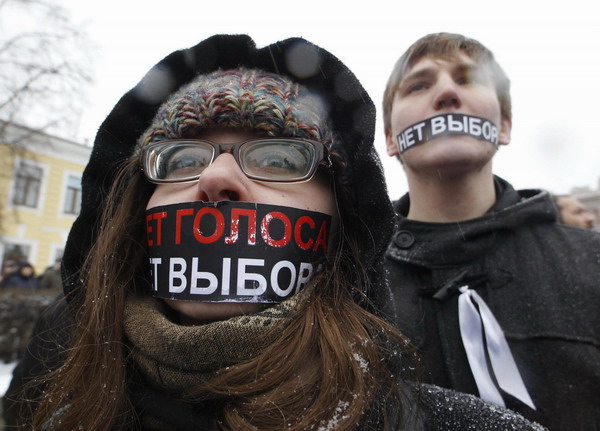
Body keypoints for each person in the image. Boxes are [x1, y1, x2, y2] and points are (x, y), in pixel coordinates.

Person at [3, 35, 545, 431]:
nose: (216, 178)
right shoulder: (50, 395)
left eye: (281, 158)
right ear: (135, 211)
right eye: (182, 157)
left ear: (342, 225)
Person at [382, 32, 600, 431]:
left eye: (469, 79)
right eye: (418, 85)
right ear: (391, 139)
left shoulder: (593, 262)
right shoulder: (350, 288)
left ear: (503, 125)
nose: (447, 93)